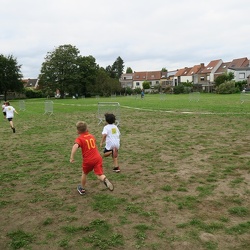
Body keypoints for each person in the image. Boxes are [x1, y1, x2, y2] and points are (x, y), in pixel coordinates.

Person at [70, 121, 114, 195]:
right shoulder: (92, 136)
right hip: (98, 158)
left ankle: (82, 188)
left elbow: (75, 146)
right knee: (99, 174)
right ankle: (104, 179)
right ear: (87, 128)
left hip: (88, 160)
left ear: (78, 131)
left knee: (84, 173)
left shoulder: (80, 139)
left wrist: (72, 157)